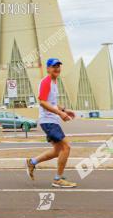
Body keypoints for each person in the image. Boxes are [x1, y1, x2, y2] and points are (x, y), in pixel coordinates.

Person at [25, 58, 77, 188]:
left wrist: (65, 110)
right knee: (66, 147)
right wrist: (60, 113)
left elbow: (52, 103)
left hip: (52, 121)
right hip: (48, 121)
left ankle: (32, 162)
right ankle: (58, 179)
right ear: (48, 69)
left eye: (59, 66)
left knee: (57, 150)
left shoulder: (54, 82)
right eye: (54, 66)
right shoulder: (47, 81)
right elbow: (42, 101)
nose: (57, 68)